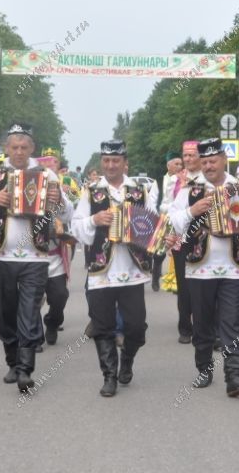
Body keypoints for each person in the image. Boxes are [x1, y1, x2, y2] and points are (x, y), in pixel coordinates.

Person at [0, 124, 72, 392]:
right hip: (1, 256)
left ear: (32, 148)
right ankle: (12, 361)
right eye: (14, 147)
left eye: (24, 147)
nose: (19, 152)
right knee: (5, 313)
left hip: (36, 256)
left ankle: (25, 369)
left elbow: (68, 214)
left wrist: (59, 202)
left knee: (29, 310)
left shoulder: (46, 175)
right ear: (6, 148)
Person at [170, 138, 239, 398]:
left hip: (233, 268)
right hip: (199, 269)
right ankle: (204, 367)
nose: (208, 166)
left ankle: (234, 375)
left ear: (225, 159)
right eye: (204, 162)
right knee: (202, 324)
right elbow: (172, 223)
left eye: (213, 161)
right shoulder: (189, 191)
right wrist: (192, 210)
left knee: (231, 323)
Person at [71, 139, 155, 396]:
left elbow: (153, 227)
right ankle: (109, 375)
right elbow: (76, 226)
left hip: (132, 270)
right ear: (102, 163)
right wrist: (94, 220)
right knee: (103, 325)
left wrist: (149, 233)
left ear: (124, 163)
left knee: (136, 328)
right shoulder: (91, 191)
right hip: (101, 270)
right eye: (106, 161)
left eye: (115, 161)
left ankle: (127, 359)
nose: (110, 165)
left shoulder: (139, 190)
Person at [163, 140, 204, 344]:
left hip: (206, 237)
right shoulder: (176, 180)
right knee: (184, 284)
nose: (187, 159)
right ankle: (185, 327)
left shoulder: (208, 177)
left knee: (203, 285)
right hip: (182, 237)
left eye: (192, 155)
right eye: (185, 156)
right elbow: (167, 206)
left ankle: (203, 325)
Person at [36, 152, 71, 349]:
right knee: (32, 299)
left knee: (60, 295)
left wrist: (59, 199)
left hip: (54, 254)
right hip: (31, 255)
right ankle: (35, 336)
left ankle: (52, 321)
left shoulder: (58, 188)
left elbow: (68, 214)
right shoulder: (25, 188)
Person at [153, 152, 183, 291]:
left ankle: (177, 278)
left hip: (177, 219)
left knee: (178, 249)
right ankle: (156, 273)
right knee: (160, 250)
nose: (179, 166)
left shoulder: (184, 180)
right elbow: (153, 202)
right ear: (168, 165)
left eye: (180, 164)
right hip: (162, 219)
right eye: (176, 164)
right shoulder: (159, 181)